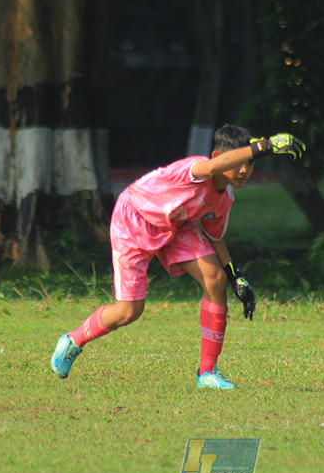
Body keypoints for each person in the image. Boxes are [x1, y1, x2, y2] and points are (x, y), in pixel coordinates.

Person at [50, 124, 306, 390]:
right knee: (128, 312)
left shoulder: (224, 199)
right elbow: (209, 169)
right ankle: (73, 341)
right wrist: (265, 146)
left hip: (175, 226)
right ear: (218, 157)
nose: (244, 170)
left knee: (215, 279)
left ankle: (207, 373)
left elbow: (215, 238)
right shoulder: (195, 168)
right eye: (239, 161)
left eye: (250, 163)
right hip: (135, 219)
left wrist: (236, 277)